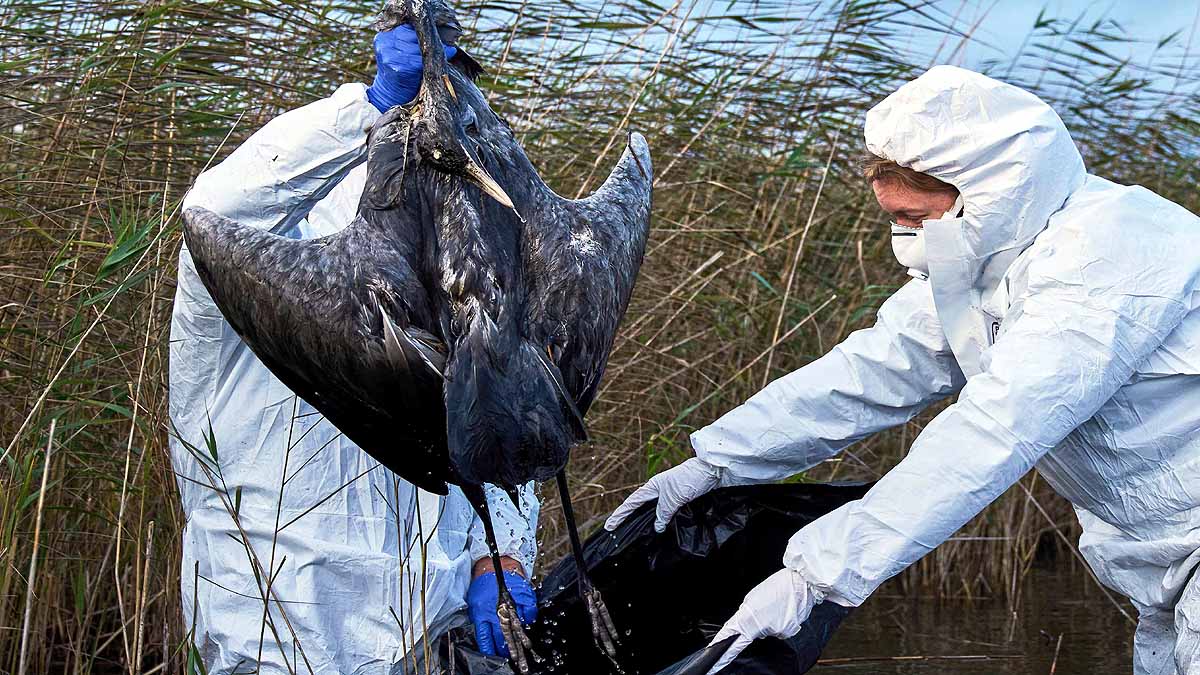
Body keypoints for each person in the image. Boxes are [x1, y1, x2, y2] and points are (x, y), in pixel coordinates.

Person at [606, 65, 1200, 675]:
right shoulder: (986, 259)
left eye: (919, 217)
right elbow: (872, 371)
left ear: (994, 192)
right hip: (1148, 554)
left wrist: (817, 576)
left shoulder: (1109, 252)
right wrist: (718, 460)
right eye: (896, 218)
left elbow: (997, 430)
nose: (906, 238)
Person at [169, 26, 539, 675]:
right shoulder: (252, 264)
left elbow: (498, 436)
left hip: (429, 633)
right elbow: (217, 208)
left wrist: (500, 556)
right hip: (273, 634)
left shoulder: (459, 275)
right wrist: (373, 107)